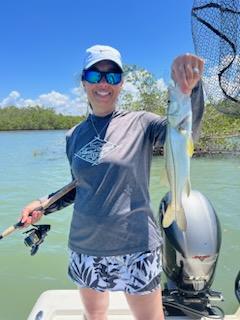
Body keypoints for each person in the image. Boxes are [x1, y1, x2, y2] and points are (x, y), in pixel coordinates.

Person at [21, 45, 204, 320]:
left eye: (113, 76)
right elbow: (78, 187)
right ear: (84, 82)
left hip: (138, 245)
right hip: (86, 245)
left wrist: (190, 89)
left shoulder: (142, 123)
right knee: (95, 316)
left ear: (121, 83)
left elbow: (186, 132)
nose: (103, 83)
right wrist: (43, 206)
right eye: (95, 76)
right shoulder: (74, 136)